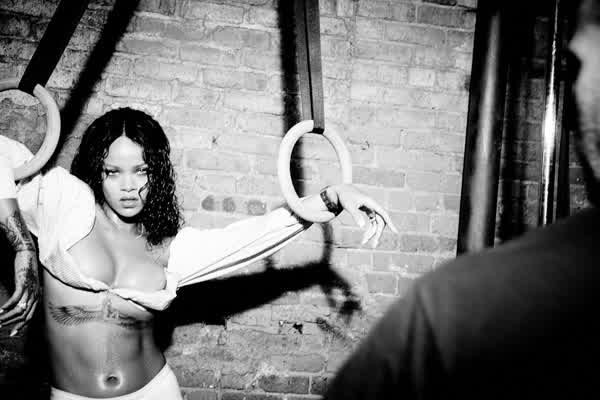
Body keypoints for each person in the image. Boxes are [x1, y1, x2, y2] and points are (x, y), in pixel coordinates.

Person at [0, 107, 398, 399]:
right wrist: (22, 246)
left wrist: (334, 195)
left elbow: (254, 236)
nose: (128, 186)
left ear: (156, 173)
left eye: (141, 170)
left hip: (155, 392)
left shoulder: (169, 247)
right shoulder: (63, 204)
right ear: (95, 170)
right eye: (113, 171)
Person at [321, 1, 600, 399]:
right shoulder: (455, 308)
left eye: (575, 66)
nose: (569, 102)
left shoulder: (454, 309)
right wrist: (332, 196)